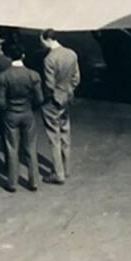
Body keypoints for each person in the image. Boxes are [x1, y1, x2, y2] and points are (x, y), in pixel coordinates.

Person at [0, 44, 43, 192]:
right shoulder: (33, 75)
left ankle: (12, 183)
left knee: (12, 148)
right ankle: (34, 181)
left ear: (8, 57)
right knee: (30, 147)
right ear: (23, 56)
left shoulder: (3, 76)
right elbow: (40, 98)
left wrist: (7, 110)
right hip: (27, 112)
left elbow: (0, 101)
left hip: (11, 114)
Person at [39, 28, 80, 184]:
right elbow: (76, 78)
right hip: (66, 97)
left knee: (53, 137)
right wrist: (68, 91)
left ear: (46, 40)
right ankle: (66, 167)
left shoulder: (49, 59)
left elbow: (49, 85)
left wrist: (51, 97)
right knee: (65, 132)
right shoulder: (71, 54)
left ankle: (58, 173)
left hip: (53, 101)